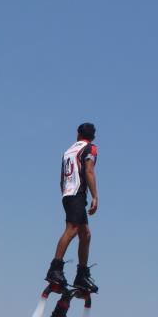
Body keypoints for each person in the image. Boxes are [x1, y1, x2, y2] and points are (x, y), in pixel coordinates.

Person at [45, 122, 99, 292]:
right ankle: (55, 268)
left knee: (85, 234)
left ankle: (81, 275)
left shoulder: (68, 150)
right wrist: (95, 196)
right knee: (72, 229)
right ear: (93, 136)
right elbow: (89, 171)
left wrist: (66, 193)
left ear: (77, 133)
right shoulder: (90, 148)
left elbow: (61, 178)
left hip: (68, 193)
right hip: (77, 194)